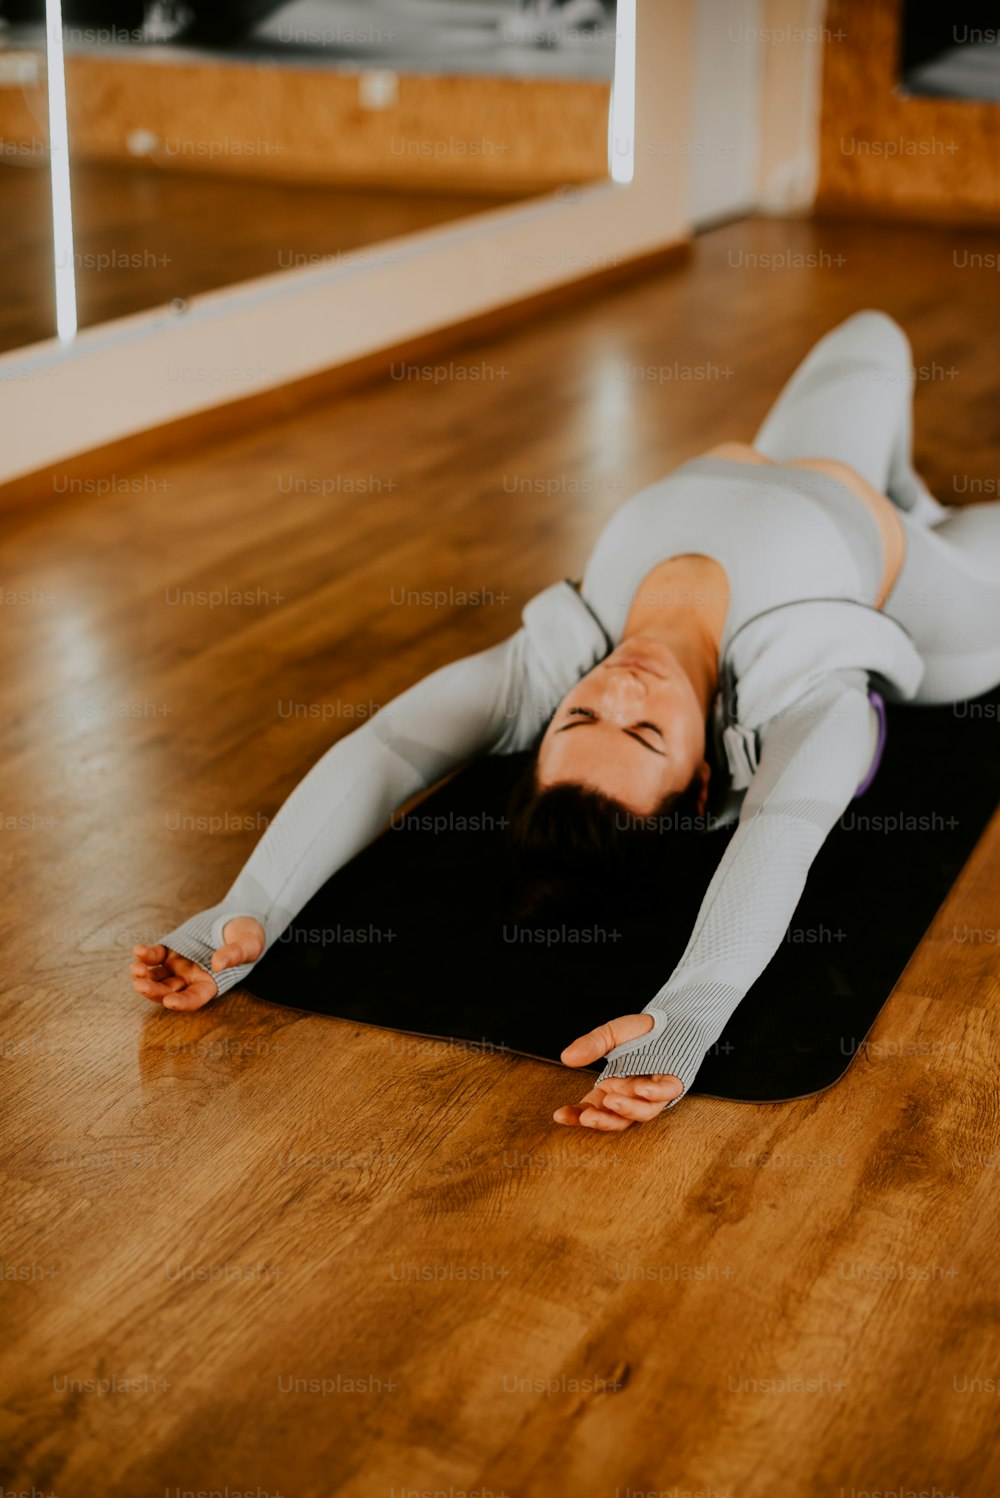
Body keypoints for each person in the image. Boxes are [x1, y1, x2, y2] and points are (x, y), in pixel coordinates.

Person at [131, 311, 1000, 1130]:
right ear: (702, 778)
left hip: (816, 464)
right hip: (948, 598)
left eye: (583, 717)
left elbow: (386, 751)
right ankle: (926, 520)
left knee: (875, 333)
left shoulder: (550, 661)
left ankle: (912, 496)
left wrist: (245, 908)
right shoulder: (809, 698)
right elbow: (777, 842)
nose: (623, 689)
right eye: (648, 734)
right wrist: (689, 1013)